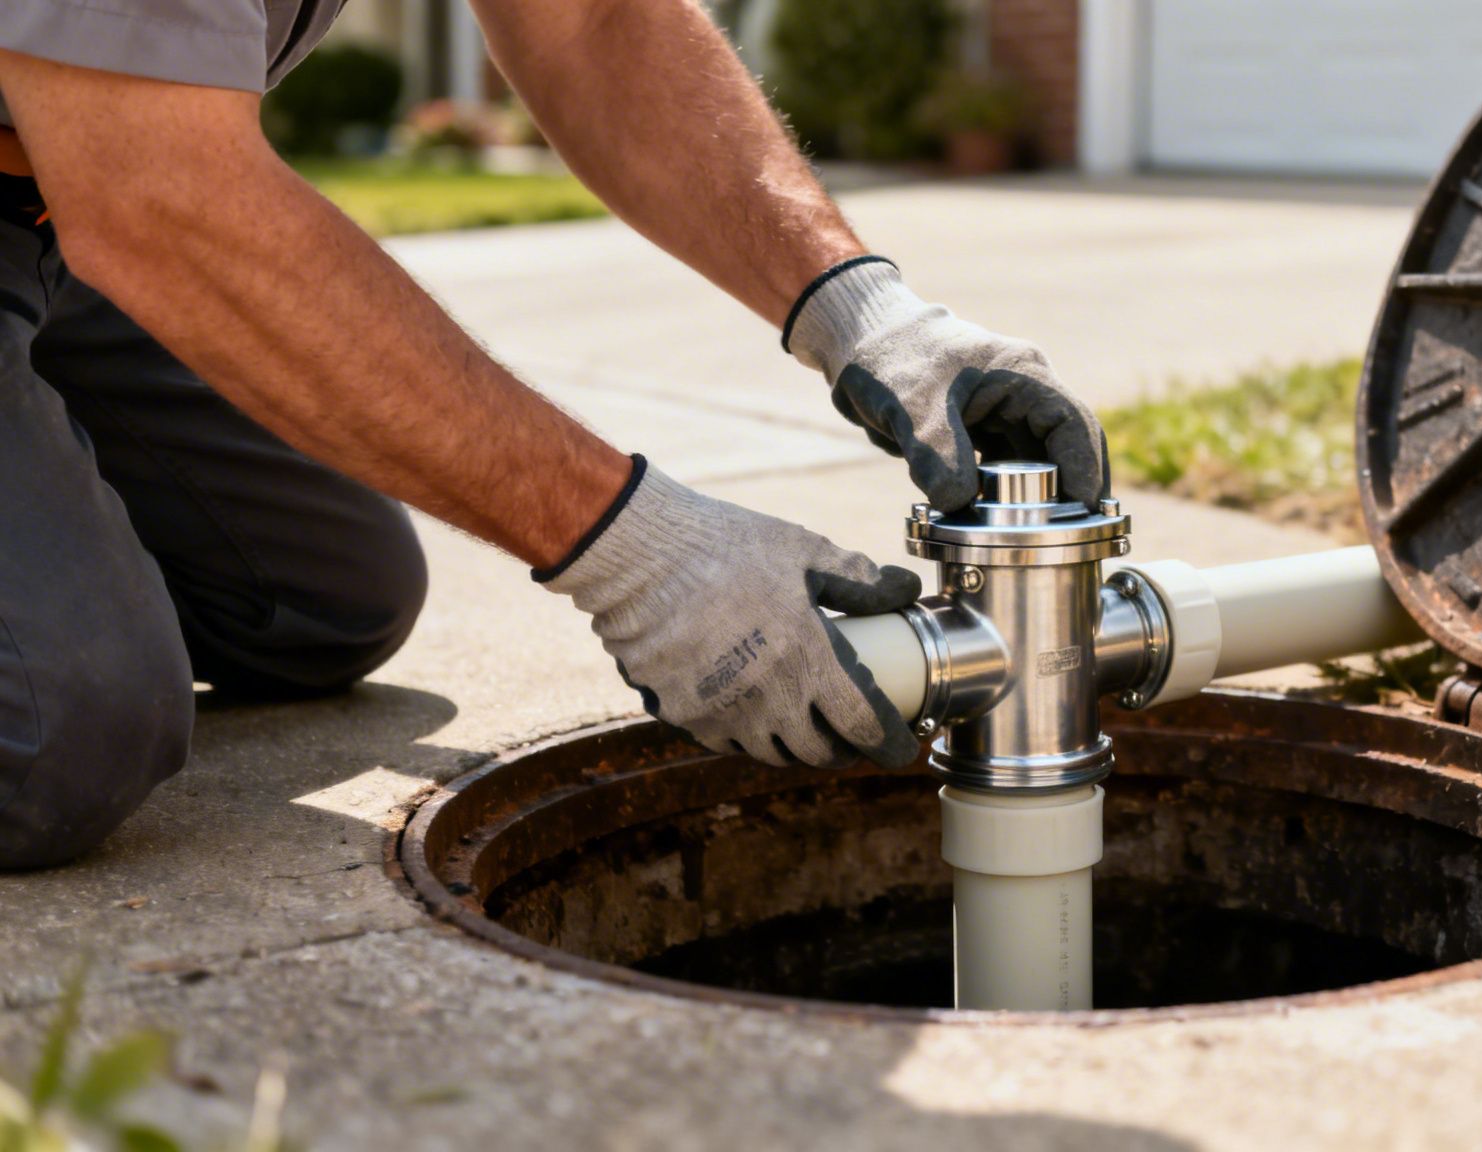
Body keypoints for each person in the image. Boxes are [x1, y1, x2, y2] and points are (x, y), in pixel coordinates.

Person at [0, 0, 1108, 869]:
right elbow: (160, 194)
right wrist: (641, 552)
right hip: (117, 189)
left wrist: (861, 310)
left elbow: (597, 22)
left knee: (321, 602)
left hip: (55, 202)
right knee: (60, 738)